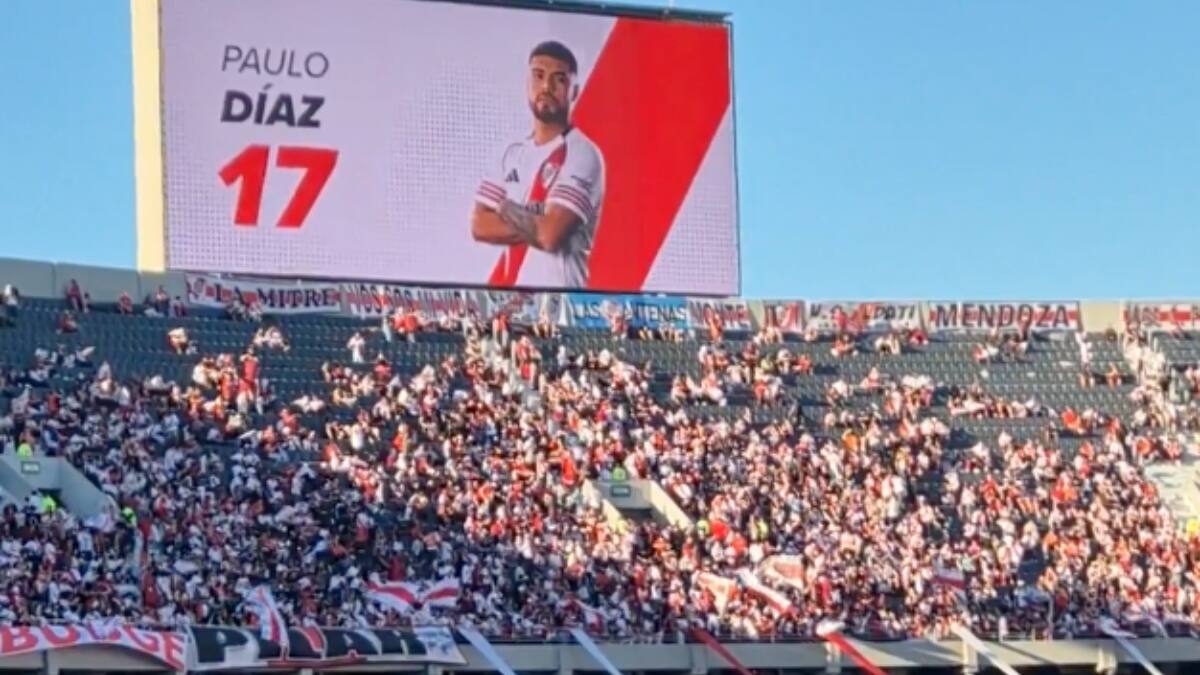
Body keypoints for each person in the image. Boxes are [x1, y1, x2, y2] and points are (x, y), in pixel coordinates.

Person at [470, 40, 605, 289]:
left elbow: (550, 236)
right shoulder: (511, 152)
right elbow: (479, 225)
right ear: (527, 84)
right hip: (514, 306)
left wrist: (505, 207)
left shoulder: (582, 153)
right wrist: (538, 222)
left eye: (559, 79)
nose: (546, 86)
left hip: (563, 310)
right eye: (539, 76)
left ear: (574, 91)